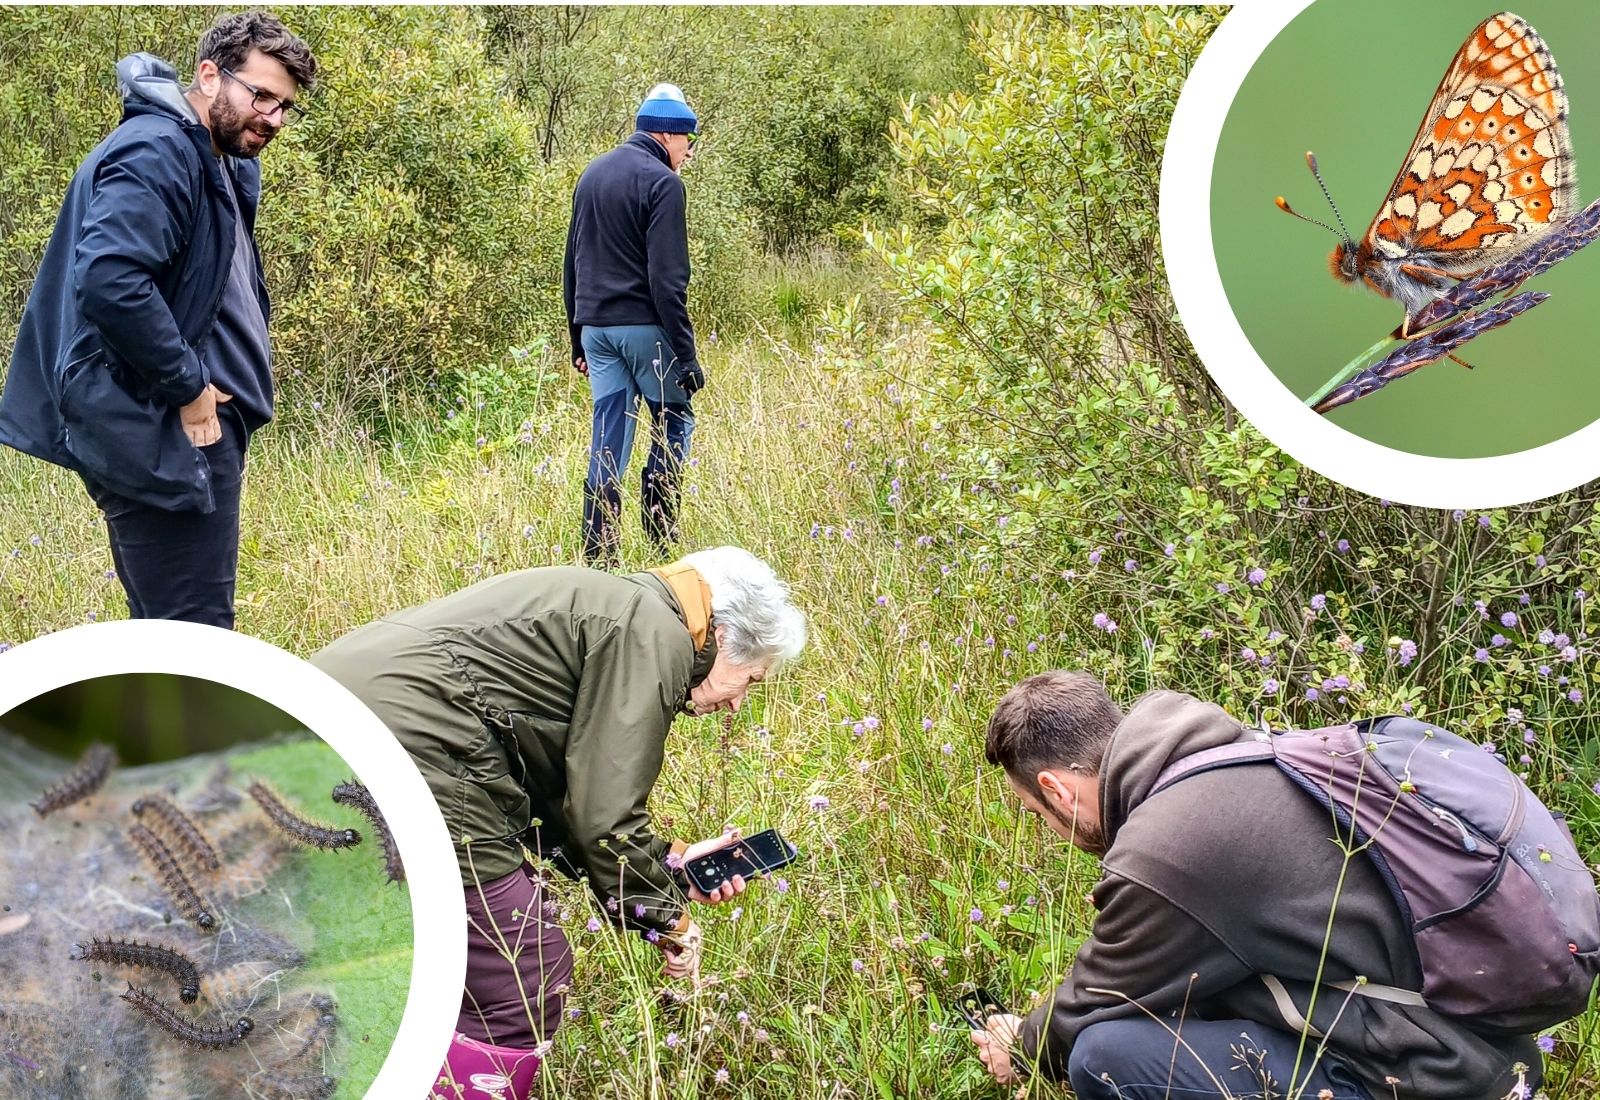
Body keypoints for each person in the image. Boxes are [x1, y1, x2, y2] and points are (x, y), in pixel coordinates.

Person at [311, 546, 805, 1075]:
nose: (736, 703)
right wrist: (671, 920)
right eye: (750, 680)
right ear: (726, 637)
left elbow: (563, 800)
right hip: (411, 742)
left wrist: (670, 862)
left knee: (394, 945)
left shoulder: (619, 605)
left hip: (319, 707)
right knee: (525, 972)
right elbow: (604, 821)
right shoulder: (655, 636)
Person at [972, 670, 1550, 1100]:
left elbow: (1097, 1000)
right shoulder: (1244, 755)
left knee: (1104, 1057)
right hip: (1488, 1048)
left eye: (1037, 813)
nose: (1050, 830)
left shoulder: (1169, 845)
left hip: (1428, 1075)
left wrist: (1020, 1046)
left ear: (1056, 790)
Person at [0, 11, 316, 629]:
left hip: (191, 426)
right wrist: (191, 389)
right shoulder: (158, 150)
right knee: (195, 640)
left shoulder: (215, 155)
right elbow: (110, 281)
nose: (273, 119)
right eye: (261, 95)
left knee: (171, 638)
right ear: (208, 75)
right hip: (167, 426)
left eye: (284, 107)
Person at [563, 82, 704, 566]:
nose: (688, 153)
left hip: (596, 332)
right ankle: (662, 540)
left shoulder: (592, 175)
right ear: (669, 134)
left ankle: (600, 557)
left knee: (609, 438)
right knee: (674, 420)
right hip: (644, 329)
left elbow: (572, 263)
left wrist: (576, 339)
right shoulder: (664, 184)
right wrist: (686, 355)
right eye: (689, 141)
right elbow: (668, 281)